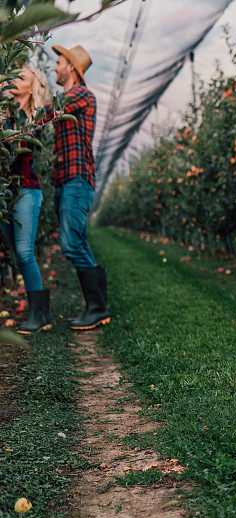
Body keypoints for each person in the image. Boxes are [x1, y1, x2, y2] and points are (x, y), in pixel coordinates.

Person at [46, 45, 110, 330]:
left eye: (58, 62)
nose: (54, 67)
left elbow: (53, 111)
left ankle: (97, 307)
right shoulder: (71, 97)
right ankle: (98, 308)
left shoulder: (81, 95)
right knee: (78, 241)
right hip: (64, 180)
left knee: (71, 243)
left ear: (71, 67)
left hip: (77, 179)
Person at [1, 66, 51, 333]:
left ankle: (39, 316)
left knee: (24, 251)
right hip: (4, 192)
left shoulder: (35, 117)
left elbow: (21, 145)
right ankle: (39, 312)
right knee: (18, 254)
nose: (13, 79)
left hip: (26, 191)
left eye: (21, 77)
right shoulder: (4, 113)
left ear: (32, 87)